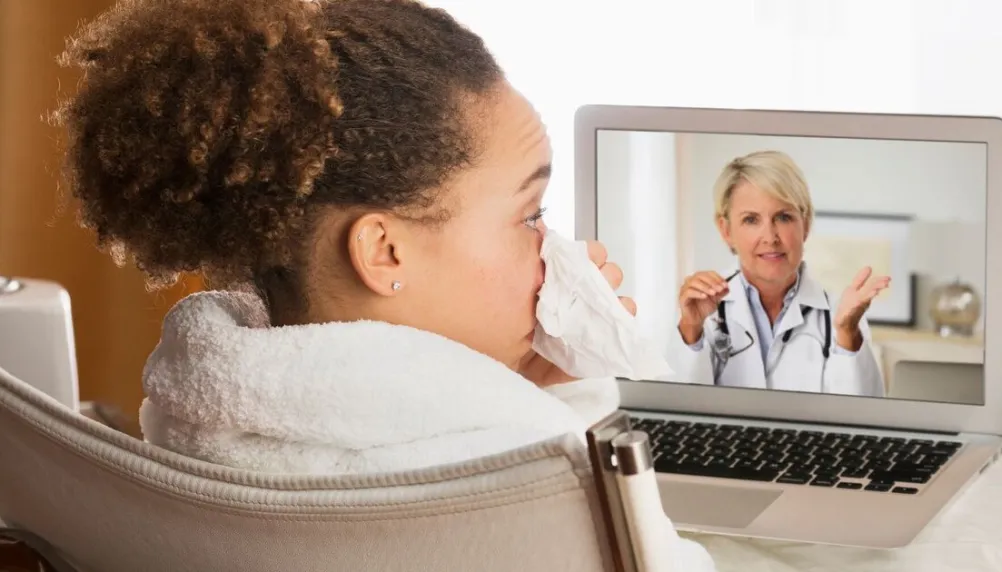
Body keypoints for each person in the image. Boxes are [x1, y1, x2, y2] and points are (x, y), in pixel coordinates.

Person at [53, 0, 715, 568]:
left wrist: (516, 386)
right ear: (384, 250)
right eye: (530, 216)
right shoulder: (526, 479)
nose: (558, 252)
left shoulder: (193, 427)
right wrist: (586, 406)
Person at [670, 150, 888, 397]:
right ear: (726, 229)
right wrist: (690, 328)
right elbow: (677, 413)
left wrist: (848, 332)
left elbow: (861, 421)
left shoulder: (840, 316)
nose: (770, 238)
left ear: (805, 225)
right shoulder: (700, 311)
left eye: (783, 217)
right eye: (751, 220)